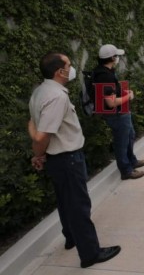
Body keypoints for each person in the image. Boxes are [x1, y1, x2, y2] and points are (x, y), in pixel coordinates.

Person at [28, 52, 121, 268]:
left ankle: (71, 237)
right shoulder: (57, 97)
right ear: (60, 71)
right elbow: (42, 135)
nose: (72, 68)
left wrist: (40, 154)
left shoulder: (40, 92)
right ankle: (90, 253)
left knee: (65, 201)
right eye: (69, 64)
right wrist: (38, 151)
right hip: (67, 159)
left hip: (57, 159)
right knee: (79, 205)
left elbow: (32, 124)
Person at [93, 44, 144, 180]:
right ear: (112, 57)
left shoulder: (106, 71)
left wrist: (124, 93)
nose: (118, 58)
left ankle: (132, 161)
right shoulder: (104, 76)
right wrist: (128, 97)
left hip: (120, 112)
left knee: (129, 135)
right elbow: (111, 102)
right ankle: (126, 170)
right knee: (122, 141)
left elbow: (112, 92)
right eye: (116, 55)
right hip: (116, 114)